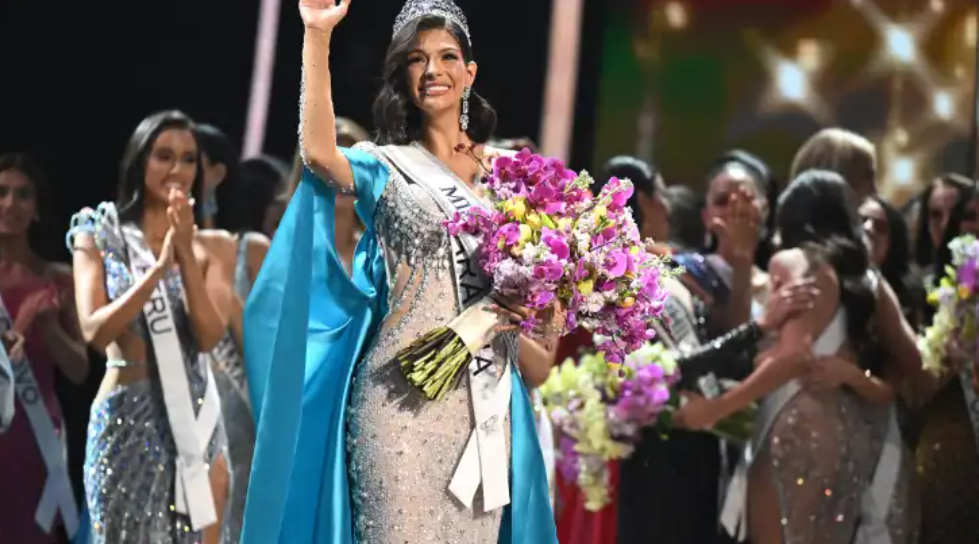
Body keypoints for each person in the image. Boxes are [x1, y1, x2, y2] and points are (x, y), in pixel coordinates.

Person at [240, 1, 558, 543]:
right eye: (417, 59)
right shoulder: (383, 165)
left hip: (482, 415)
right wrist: (316, 35)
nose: (433, 70)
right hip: (399, 402)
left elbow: (543, 357)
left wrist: (525, 314)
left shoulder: (514, 181)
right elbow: (318, 153)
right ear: (402, 75)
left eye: (447, 56)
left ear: (470, 72)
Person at [676, 170, 921, 544]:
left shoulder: (793, 262)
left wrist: (716, 408)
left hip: (793, 430)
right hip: (847, 438)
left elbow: (794, 357)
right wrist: (857, 376)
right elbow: (913, 361)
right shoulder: (870, 281)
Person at [67, 110, 232, 544]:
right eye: (163, 156)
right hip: (125, 421)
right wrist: (159, 269)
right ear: (140, 161)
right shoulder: (100, 233)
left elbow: (209, 336)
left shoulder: (213, 246)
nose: (177, 170)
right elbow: (95, 331)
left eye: (188, 159)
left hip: (194, 425)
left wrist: (183, 251)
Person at [0, 153, 89, 544]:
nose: (10, 204)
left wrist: (48, 325)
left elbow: (79, 370)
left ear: (37, 209)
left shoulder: (59, 278)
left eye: (23, 195)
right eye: (1, 192)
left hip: (36, 438)